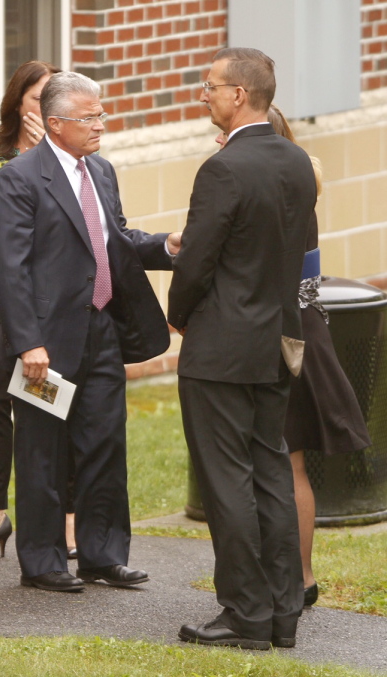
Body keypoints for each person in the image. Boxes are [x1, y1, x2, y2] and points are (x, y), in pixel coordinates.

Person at [0, 71, 180, 595]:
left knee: (104, 444)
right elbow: (10, 269)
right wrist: (28, 343)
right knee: (43, 452)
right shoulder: (19, 179)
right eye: (89, 117)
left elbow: (113, 241)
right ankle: (44, 560)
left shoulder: (102, 170)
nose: (101, 124)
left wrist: (167, 247)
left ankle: (102, 555)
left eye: (101, 114)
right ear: (55, 123)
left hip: (101, 329)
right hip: (44, 347)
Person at [168, 48, 316, 650]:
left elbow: (198, 259)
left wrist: (178, 317)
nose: (204, 94)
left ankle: (246, 614)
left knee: (227, 481)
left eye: (210, 86)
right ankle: (283, 612)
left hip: (222, 348)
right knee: (271, 473)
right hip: (277, 341)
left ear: (239, 96)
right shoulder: (298, 161)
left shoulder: (222, 169)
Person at [266, 106, 370, 609]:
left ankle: (294, 577)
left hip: (281, 342)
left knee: (285, 463)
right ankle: (301, 577)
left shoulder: (277, 196)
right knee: (292, 463)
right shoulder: (301, 188)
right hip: (305, 336)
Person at [0, 60, 60, 562]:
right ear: (18, 102)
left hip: (48, 302)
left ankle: (58, 517)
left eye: (52, 99)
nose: (43, 108)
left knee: (46, 406)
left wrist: (49, 150)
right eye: (36, 98)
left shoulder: (66, 155)